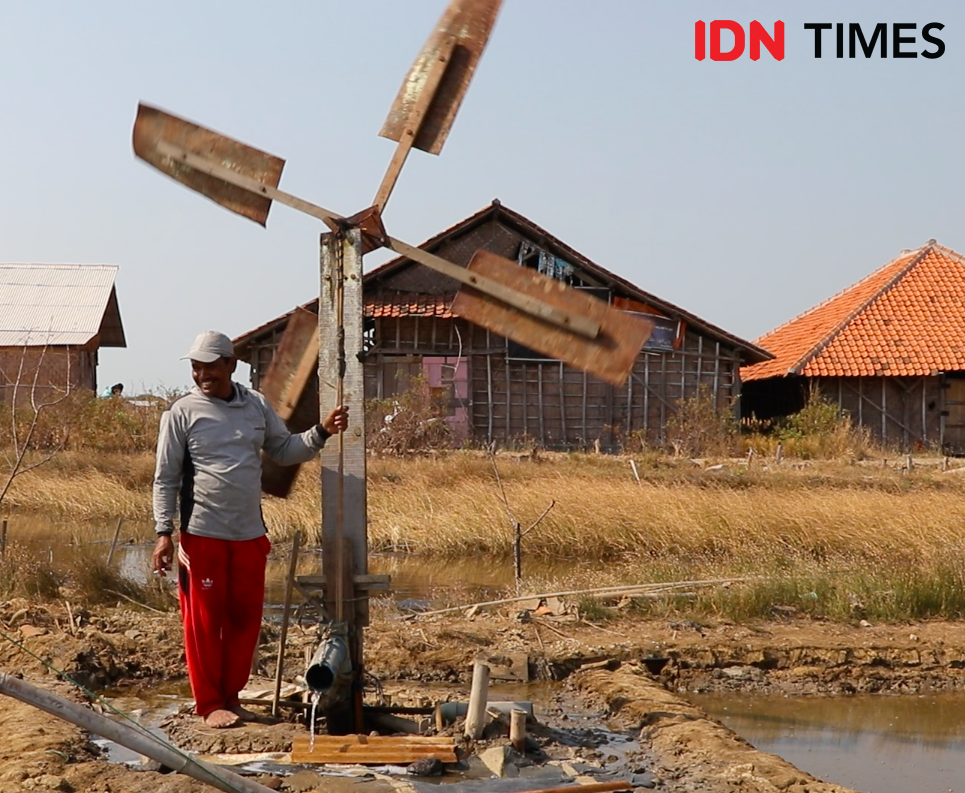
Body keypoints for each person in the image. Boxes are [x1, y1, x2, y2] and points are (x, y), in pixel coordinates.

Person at [152, 330, 348, 728]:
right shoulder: (181, 413)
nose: (202, 374)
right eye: (195, 366)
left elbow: (283, 449)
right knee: (204, 623)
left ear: (231, 365)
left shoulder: (255, 405)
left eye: (210, 365)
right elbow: (165, 478)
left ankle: (232, 697)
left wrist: (322, 432)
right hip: (201, 535)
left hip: (248, 535)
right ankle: (209, 704)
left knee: (244, 622)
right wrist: (163, 533)